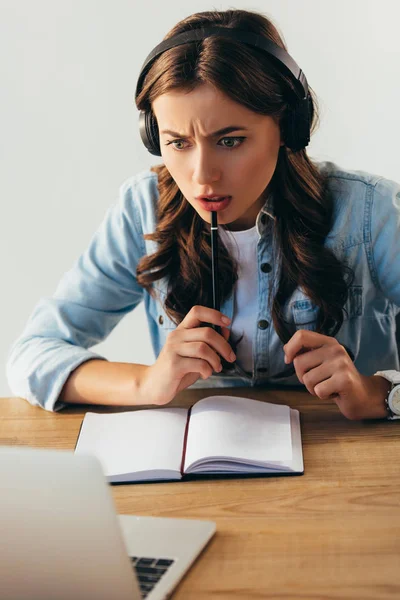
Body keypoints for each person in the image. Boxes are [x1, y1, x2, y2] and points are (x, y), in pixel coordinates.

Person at [6, 9, 400, 420]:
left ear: (288, 127)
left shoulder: (370, 213)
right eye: (178, 143)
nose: (202, 176)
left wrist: (378, 393)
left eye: (229, 140)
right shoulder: (142, 209)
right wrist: (147, 382)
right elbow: (32, 354)